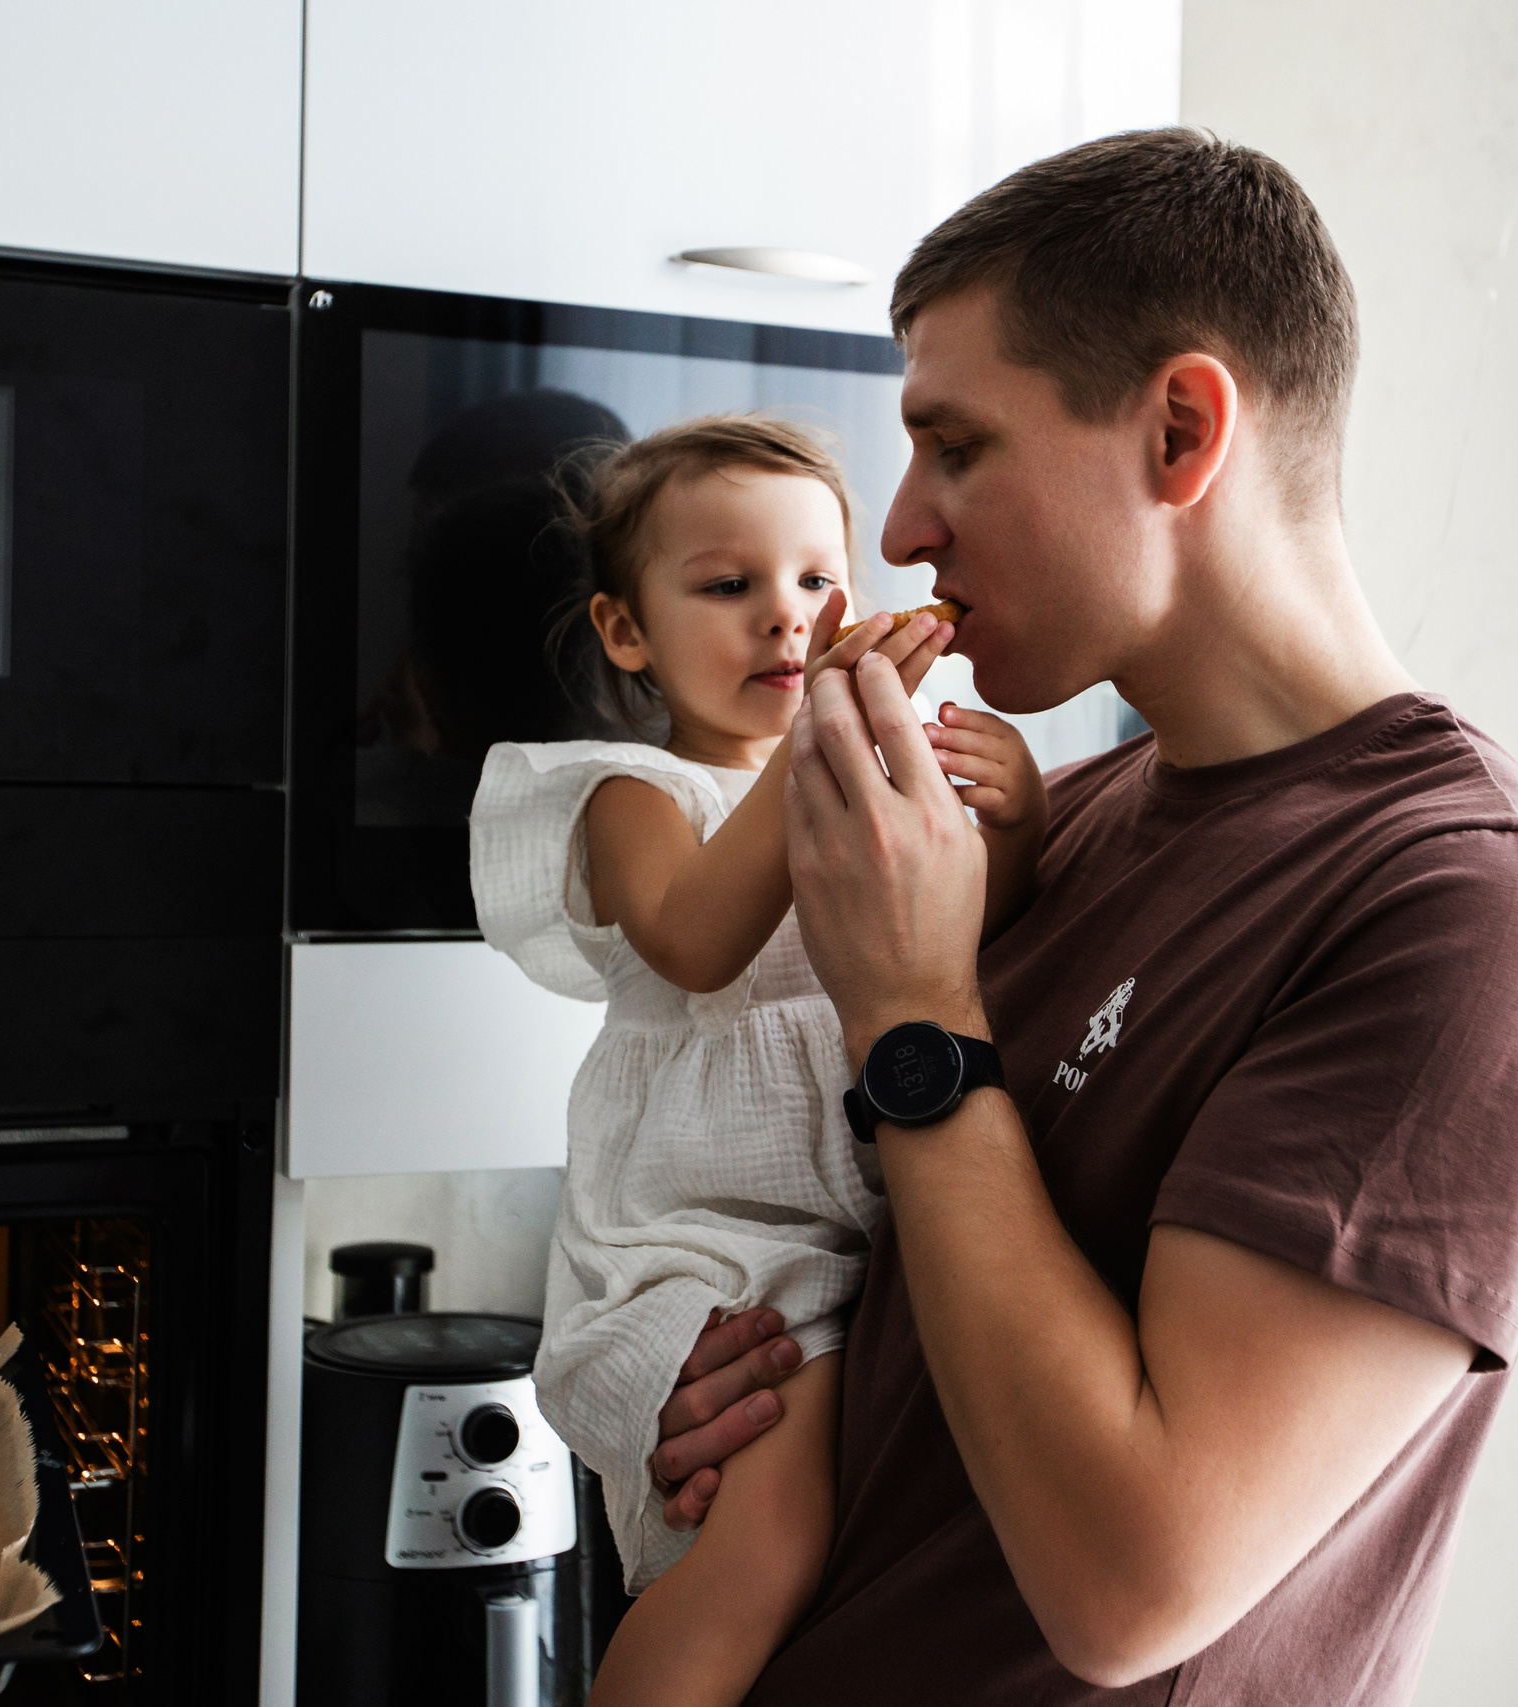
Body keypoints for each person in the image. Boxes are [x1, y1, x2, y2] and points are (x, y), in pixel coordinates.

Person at [648, 129, 1518, 1705]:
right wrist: (758, 1388)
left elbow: (1129, 1583)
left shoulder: (1470, 909)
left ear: (1181, 428)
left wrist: (909, 1014)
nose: (899, 534)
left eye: (956, 447)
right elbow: (946, 1331)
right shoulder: (1070, 818)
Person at [466, 414, 1046, 1706]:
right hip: (705, 1240)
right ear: (629, 633)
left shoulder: (864, 778)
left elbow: (972, 947)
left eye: (815, 582)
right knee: (762, 1547)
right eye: (728, 587)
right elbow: (693, 942)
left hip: (855, 1232)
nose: (785, 620)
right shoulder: (630, 793)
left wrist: (1019, 822)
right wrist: (818, 755)